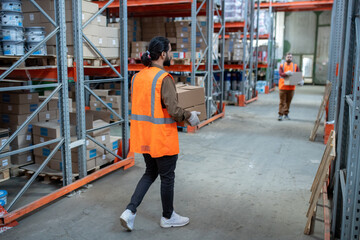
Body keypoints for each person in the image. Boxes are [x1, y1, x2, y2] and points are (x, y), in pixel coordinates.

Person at [119, 36, 201, 231]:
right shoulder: (163, 78)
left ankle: (130, 211)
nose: (171, 54)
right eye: (170, 51)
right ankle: (168, 216)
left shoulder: (138, 77)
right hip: (162, 138)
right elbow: (173, 110)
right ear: (163, 54)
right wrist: (190, 116)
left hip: (144, 137)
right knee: (167, 177)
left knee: (150, 172)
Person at [277, 52, 301, 121]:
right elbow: (280, 74)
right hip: (283, 87)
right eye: (288, 57)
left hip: (291, 87)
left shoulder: (295, 66)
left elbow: (298, 75)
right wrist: (286, 73)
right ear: (286, 58)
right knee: (282, 101)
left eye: (290, 57)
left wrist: (300, 81)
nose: (289, 58)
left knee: (288, 102)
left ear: (292, 58)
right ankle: (280, 115)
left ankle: (286, 114)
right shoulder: (282, 66)